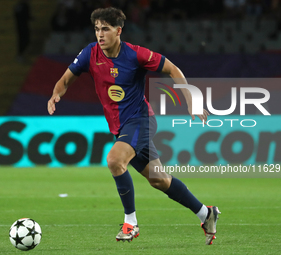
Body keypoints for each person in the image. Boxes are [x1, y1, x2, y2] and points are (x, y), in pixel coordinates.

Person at [47, 7, 220, 245]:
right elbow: (66, 79)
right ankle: (206, 213)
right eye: (97, 29)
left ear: (118, 31)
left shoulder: (137, 55)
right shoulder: (90, 53)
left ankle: (131, 222)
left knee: (115, 160)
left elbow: (172, 69)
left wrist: (191, 101)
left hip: (140, 120)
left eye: (105, 29)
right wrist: (56, 94)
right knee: (159, 180)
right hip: (121, 128)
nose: (100, 34)